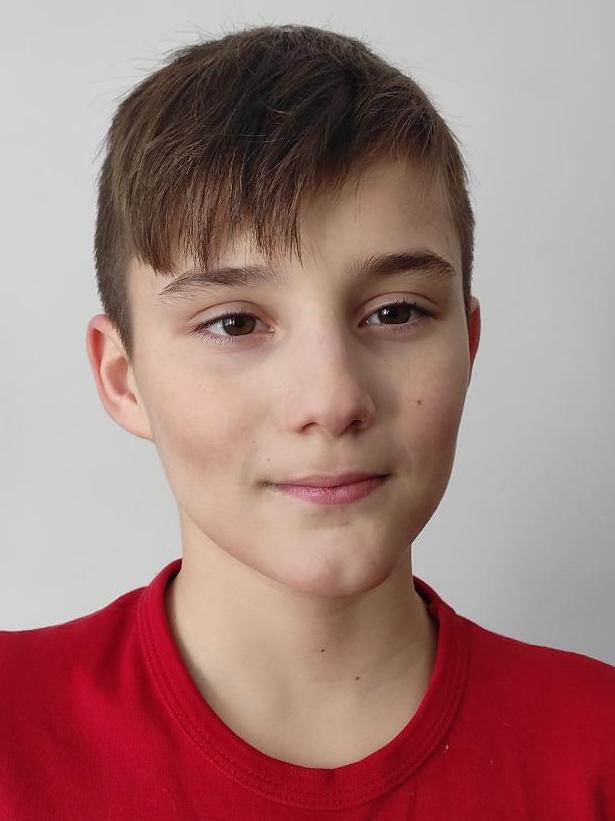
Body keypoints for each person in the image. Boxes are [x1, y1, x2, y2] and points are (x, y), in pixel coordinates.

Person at [1, 23, 613, 819]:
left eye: (395, 312)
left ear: (466, 346)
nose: (330, 398)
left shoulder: (597, 747)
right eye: (234, 323)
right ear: (123, 379)